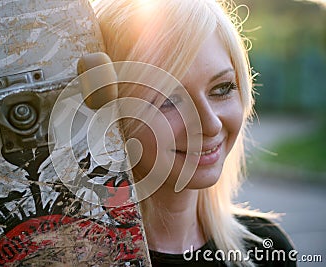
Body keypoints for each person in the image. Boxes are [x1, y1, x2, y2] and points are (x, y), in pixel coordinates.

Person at [92, 0, 296, 266]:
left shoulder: (268, 252)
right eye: (168, 99)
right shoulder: (67, 259)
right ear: (112, 115)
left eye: (222, 88)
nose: (210, 125)